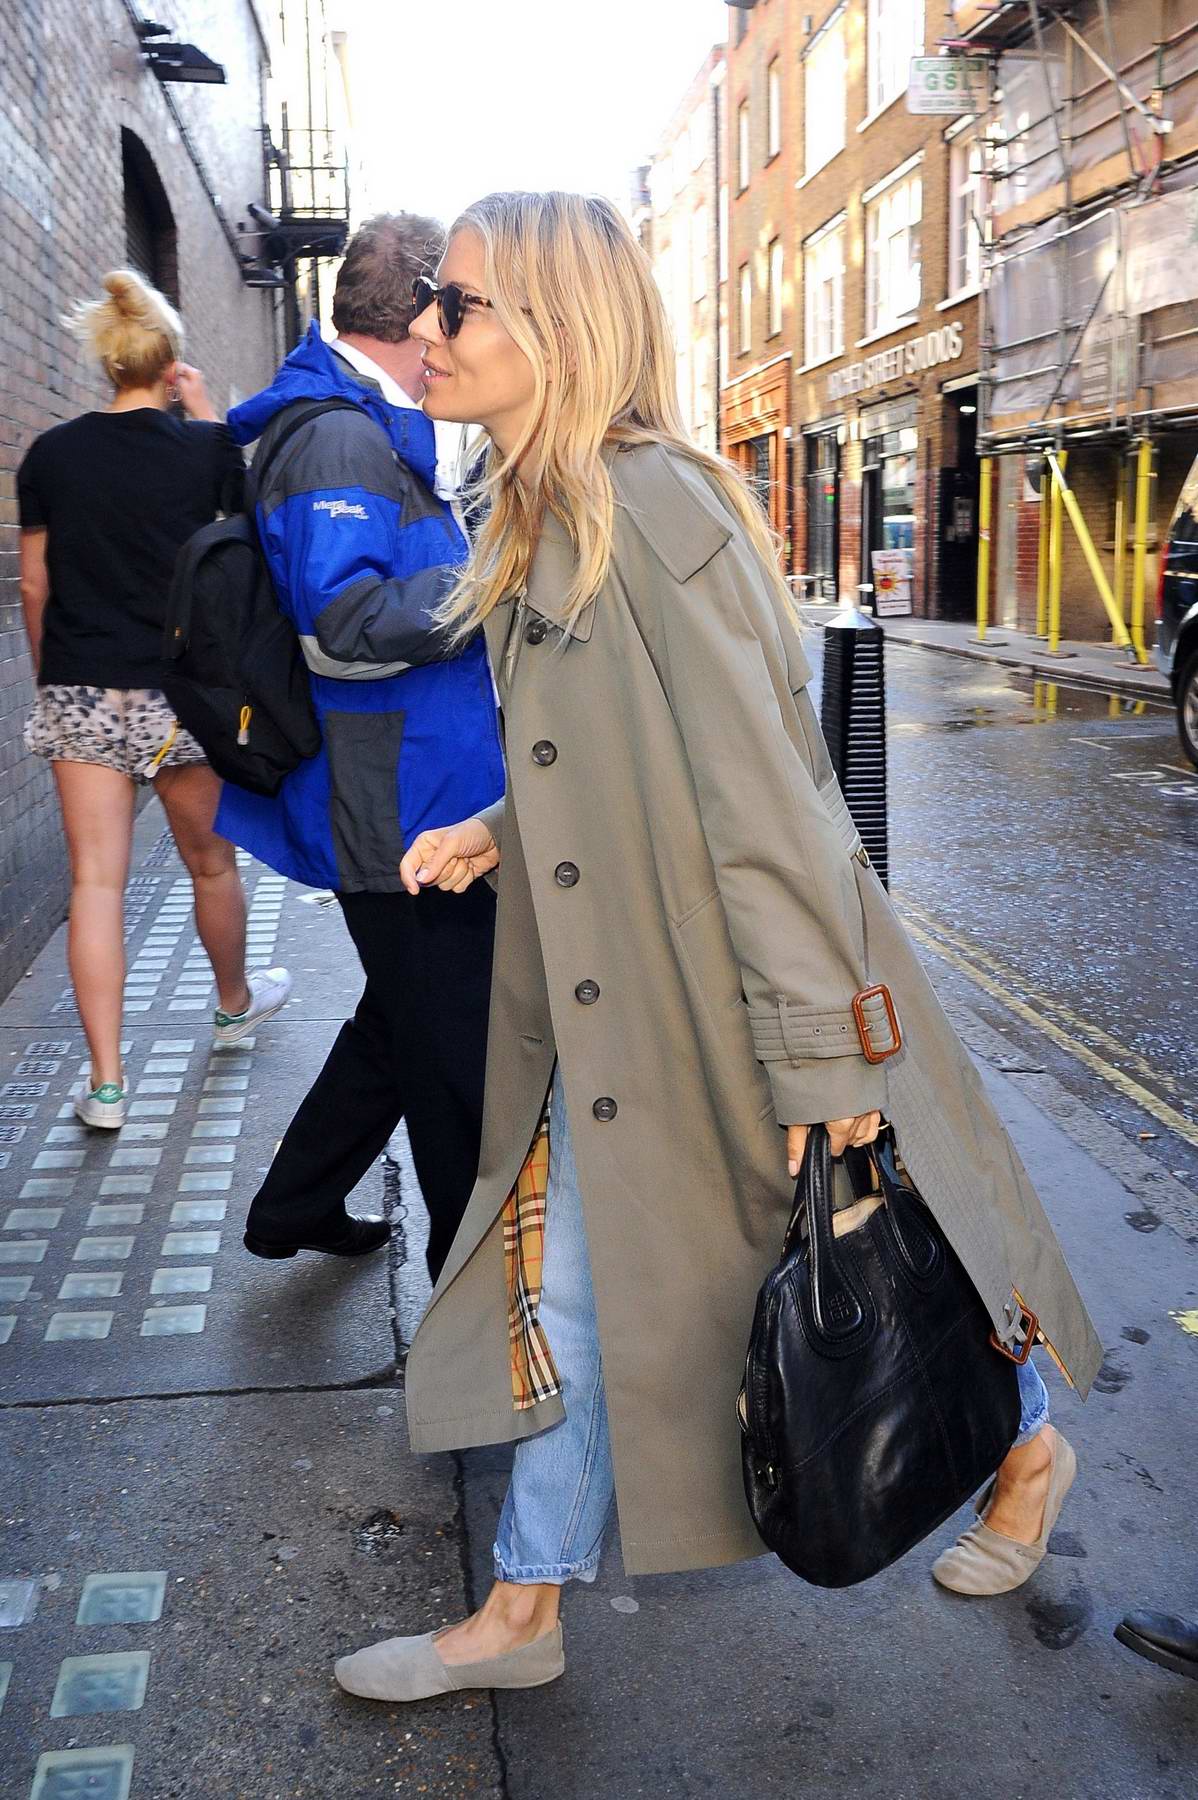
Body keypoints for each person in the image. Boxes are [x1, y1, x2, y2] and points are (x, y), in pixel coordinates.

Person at [331, 192, 1102, 1704]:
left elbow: (770, 804)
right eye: (431, 305)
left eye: (460, 305)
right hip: (619, 984)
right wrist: (497, 821)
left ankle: (1023, 1448)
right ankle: (526, 1613)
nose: (428, 333)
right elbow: (625, 751)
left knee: (864, 1243)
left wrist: (823, 1050)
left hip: (727, 987)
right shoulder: (551, 503)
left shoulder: (655, 515)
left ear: (559, 328)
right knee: (585, 1288)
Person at [216, 214, 504, 1277]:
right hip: (400, 810)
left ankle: (292, 1202)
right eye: (462, 304)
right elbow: (340, 625)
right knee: (456, 1076)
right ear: (429, 310)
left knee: (403, 1023)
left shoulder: (364, 420)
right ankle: (478, 1342)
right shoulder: (340, 435)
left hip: (418, 792)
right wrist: (495, 582)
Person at [17, 271, 290, 1132]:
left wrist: (52, 675)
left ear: (106, 362)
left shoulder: (51, 455)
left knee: (94, 884)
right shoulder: (201, 449)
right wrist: (207, 413)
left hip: (81, 690)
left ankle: (105, 1085)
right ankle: (234, 1002)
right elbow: (241, 535)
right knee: (210, 864)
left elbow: (34, 582)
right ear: (169, 361)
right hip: (181, 696)